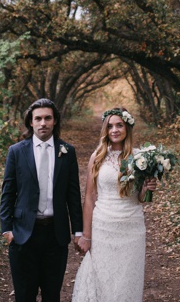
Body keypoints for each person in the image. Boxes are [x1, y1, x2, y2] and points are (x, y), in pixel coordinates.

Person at [0, 98, 83, 302]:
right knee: (24, 295)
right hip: (23, 235)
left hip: (56, 235)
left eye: (48, 118)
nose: (43, 123)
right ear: (31, 122)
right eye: (38, 118)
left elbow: (73, 195)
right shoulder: (17, 151)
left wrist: (78, 231)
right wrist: (7, 230)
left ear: (55, 121)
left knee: (51, 295)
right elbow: (8, 193)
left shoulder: (67, 151)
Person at [71, 107, 157, 302]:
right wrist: (86, 235)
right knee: (103, 280)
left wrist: (147, 188)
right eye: (110, 126)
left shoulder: (140, 158)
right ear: (105, 130)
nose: (114, 130)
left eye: (119, 125)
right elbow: (90, 197)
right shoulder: (98, 157)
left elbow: (141, 198)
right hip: (103, 226)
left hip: (132, 228)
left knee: (127, 281)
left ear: (127, 127)